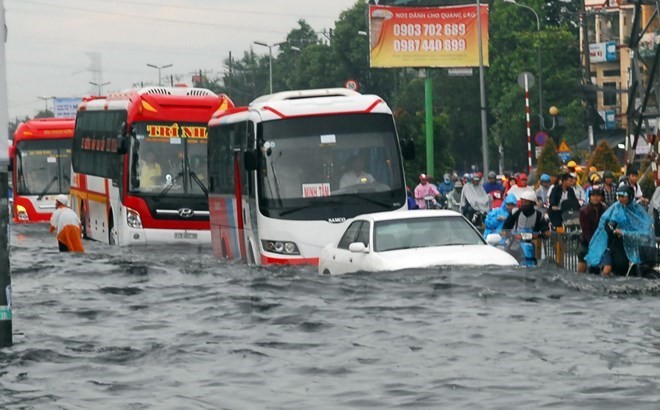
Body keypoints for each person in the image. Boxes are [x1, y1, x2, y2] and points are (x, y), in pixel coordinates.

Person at [585, 182, 655, 276]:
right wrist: (615, 230)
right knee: (616, 266)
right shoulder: (615, 209)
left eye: (623, 195)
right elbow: (608, 224)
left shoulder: (637, 209)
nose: (621, 198)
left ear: (630, 196)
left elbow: (645, 225)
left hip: (634, 244)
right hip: (616, 244)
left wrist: (627, 233)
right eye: (619, 196)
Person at [577, 186, 606, 273]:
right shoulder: (584, 211)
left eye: (598, 195)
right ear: (590, 197)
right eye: (593, 195)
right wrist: (593, 243)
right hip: (586, 241)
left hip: (601, 241)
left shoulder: (605, 209)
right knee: (582, 262)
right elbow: (586, 229)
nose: (596, 198)